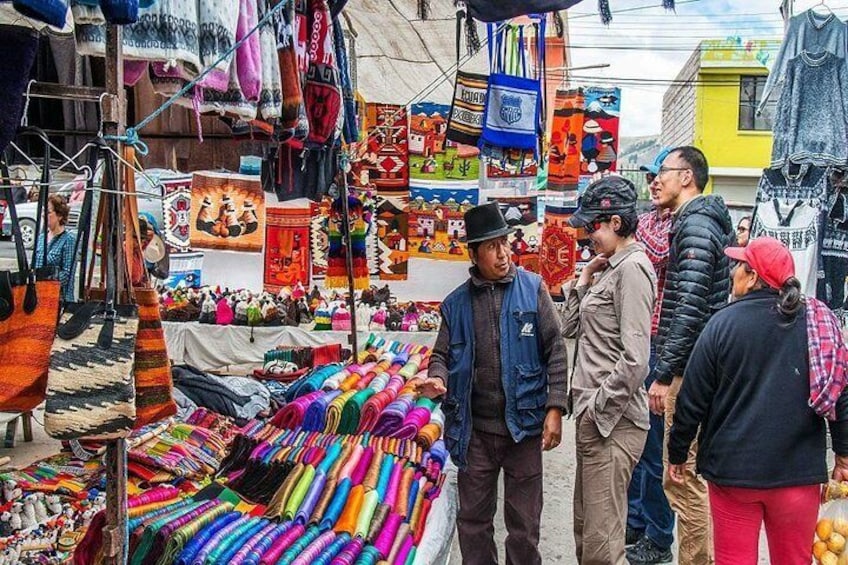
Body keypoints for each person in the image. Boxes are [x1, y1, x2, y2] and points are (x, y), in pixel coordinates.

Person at [667, 237, 848, 565]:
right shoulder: (817, 325)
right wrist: (844, 455)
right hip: (798, 476)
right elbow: (841, 391)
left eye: (739, 265)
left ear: (752, 276)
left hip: (733, 474)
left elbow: (692, 398)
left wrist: (677, 453)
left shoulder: (722, 324)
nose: (734, 271)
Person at [417, 201, 569, 565]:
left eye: (505, 243)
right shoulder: (455, 306)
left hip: (524, 429)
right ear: (474, 254)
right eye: (491, 246)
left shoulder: (533, 289)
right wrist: (437, 378)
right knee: (473, 522)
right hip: (476, 433)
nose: (503, 254)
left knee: (524, 526)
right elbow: (440, 356)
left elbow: (557, 351)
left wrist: (555, 407)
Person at [647, 146, 734, 565]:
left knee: (682, 479)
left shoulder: (696, 224)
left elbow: (690, 304)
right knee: (689, 476)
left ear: (686, 177)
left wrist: (664, 373)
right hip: (701, 365)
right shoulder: (699, 222)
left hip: (690, 370)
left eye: (662, 172)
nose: (655, 180)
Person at [562, 176, 656, 565]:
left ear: (616, 223)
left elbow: (637, 359)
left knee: (602, 544)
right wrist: (584, 280)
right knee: (588, 530)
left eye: (593, 228)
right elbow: (569, 329)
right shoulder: (609, 270)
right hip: (595, 417)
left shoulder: (633, 270)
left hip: (612, 423)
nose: (587, 237)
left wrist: (598, 411)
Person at [627, 149, 675, 565]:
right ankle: (639, 521)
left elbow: (653, 253)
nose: (653, 182)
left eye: (659, 175)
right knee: (639, 442)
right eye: (650, 176)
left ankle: (659, 535)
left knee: (656, 445)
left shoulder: (682, 224)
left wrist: (630, 239)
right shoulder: (650, 221)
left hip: (662, 344)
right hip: (645, 339)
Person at [35, 194, 77, 304]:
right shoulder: (41, 238)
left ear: (59, 215)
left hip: (58, 300)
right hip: (38, 297)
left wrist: (46, 282)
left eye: (48, 212)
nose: (44, 215)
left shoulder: (68, 240)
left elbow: (66, 274)